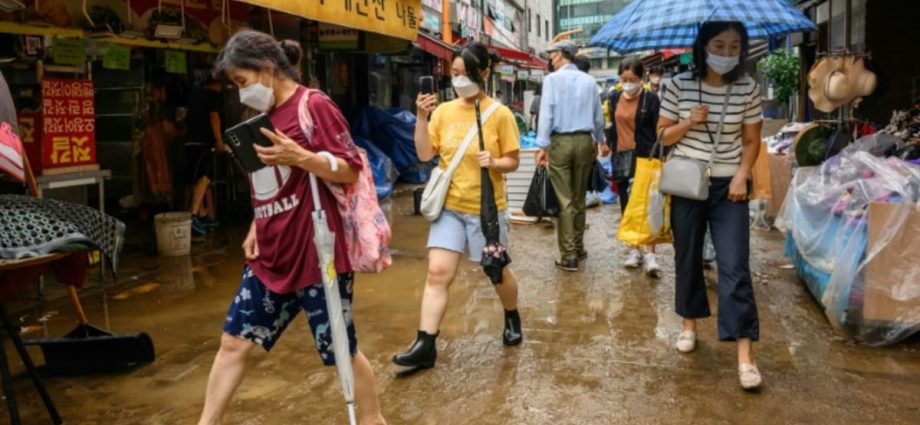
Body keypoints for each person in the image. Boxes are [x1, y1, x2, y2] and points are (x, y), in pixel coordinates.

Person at [198, 30, 386, 425]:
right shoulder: (258, 118)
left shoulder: (313, 105)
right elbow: (271, 183)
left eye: (242, 82)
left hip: (318, 254)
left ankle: (372, 421)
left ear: (266, 70)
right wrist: (255, 223)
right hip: (270, 253)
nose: (239, 93)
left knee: (342, 350)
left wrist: (302, 156)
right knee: (233, 342)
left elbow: (350, 168)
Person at [393, 42, 523, 370]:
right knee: (438, 272)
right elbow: (425, 154)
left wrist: (494, 161)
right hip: (450, 206)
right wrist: (422, 117)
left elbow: (513, 162)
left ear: (485, 73)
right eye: (455, 73)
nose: (459, 79)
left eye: (466, 73)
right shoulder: (443, 112)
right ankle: (425, 344)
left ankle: (511, 315)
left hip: (486, 210)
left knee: (496, 271)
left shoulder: (500, 114)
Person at [656, 21, 764, 390]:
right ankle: (688, 324)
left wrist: (741, 175)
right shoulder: (677, 85)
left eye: (735, 47)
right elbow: (661, 136)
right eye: (719, 45)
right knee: (687, 257)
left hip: (729, 187)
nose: (727, 53)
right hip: (687, 183)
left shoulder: (748, 87)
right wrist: (689, 120)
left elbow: (751, 141)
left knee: (735, 265)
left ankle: (745, 355)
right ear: (703, 46)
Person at [536, 40, 605, 272]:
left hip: (561, 142)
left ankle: (568, 255)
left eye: (552, 54)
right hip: (585, 140)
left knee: (565, 200)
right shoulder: (589, 81)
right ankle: (579, 247)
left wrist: (542, 146)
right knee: (578, 198)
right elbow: (598, 116)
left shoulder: (552, 80)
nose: (550, 58)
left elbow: (546, 114)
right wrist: (599, 140)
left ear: (560, 55)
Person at [605, 58, 662, 277]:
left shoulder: (651, 99)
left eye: (633, 79)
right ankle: (634, 250)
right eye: (624, 79)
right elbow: (611, 125)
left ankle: (650, 253)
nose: (628, 84)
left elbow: (659, 130)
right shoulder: (614, 97)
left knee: (649, 206)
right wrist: (607, 144)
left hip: (645, 158)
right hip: (621, 157)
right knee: (628, 206)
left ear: (642, 78)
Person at [185, 77, 227, 235]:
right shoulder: (213, 96)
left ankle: (202, 214)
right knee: (204, 177)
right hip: (202, 143)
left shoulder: (194, 96)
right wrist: (219, 140)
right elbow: (214, 117)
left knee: (195, 179)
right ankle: (193, 214)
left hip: (190, 142)